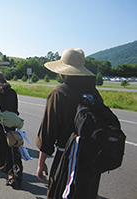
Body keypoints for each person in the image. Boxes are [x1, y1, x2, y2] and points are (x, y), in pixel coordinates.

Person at [36, 48, 103, 199]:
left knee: (59, 193)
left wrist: (41, 163)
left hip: (66, 158)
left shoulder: (59, 93)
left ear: (63, 71)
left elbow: (47, 132)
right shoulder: (94, 93)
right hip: (91, 161)